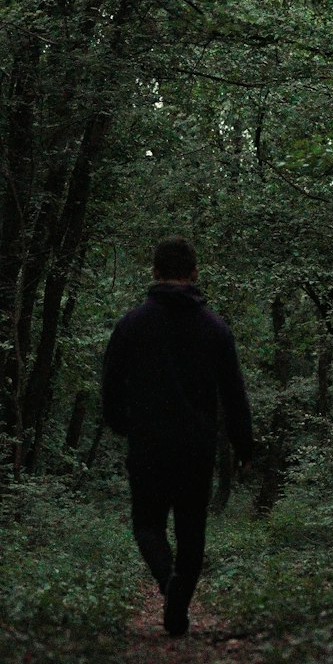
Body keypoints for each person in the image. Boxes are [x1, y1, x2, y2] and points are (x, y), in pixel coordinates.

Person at [101, 235, 253, 636]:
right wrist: (245, 446)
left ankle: (167, 579)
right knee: (191, 530)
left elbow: (111, 384)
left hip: (148, 443)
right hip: (195, 447)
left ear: (154, 272)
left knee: (147, 523)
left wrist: (121, 423)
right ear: (194, 272)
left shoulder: (132, 324)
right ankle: (178, 601)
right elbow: (235, 395)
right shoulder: (215, 329)